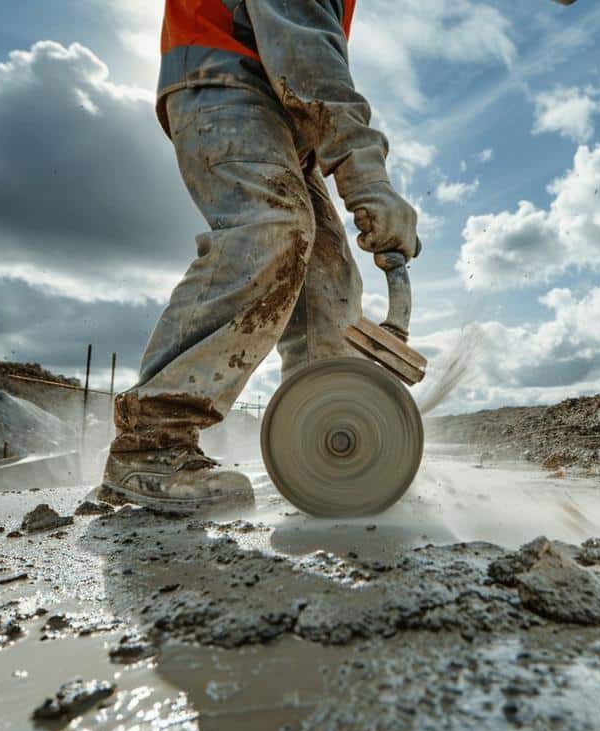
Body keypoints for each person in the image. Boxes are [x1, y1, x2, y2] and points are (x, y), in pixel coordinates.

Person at [99, 0, 420, 511]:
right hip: (222, 77)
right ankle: (151, 441)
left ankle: (326, 432)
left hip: (281, 110)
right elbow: (307, 55)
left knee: (327, 274)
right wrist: (368, 177)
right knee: (272, 227)